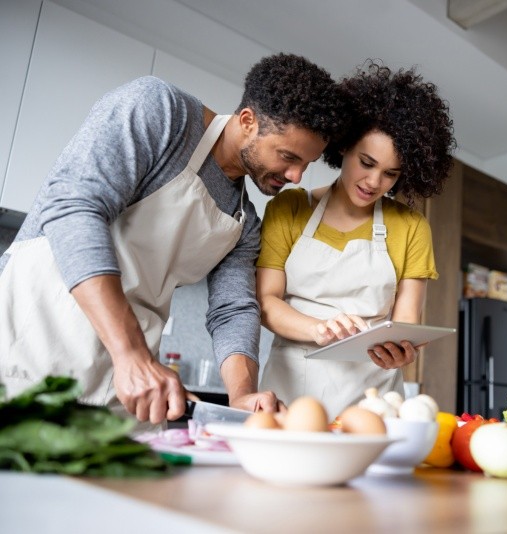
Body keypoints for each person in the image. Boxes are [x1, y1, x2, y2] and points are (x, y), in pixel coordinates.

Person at [0, 53, 347, 428]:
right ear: (248, 121)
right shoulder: (161, 112)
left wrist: (242, 394)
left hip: (126, 392)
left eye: (306, 164)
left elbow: (233, 309)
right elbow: (74, 208)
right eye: (288, 156)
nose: (296, 176)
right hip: (30, 351)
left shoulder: (243, 220)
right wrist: (131, 353)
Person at [256, 60, 456, 419]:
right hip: (290, 394)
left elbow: (406, 321)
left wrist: (403, 350)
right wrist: (319, 329)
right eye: (366, 162)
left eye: (390, 174)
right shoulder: (289, 208)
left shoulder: (411, 226)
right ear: (343, 147)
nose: (374, 182)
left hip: (374, 400)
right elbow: (266, 301)